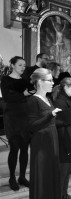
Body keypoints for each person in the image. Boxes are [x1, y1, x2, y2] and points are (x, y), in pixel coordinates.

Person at [27, 68, 62, 199]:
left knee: (51, 175)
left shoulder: (47, 98)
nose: (53, 83)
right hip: (41, 144)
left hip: (52, 139)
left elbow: (52, 122)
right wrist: (50, 115)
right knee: (43, 176)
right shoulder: (33, 100)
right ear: (40, 82)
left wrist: (69, 121)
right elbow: (32, 126)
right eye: (50, 80)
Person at [0, 56, 31, 191]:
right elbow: (7, 97)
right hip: (12, 118)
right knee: (14, 148)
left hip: (25, 117)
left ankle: (22, 177)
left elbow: (31, 93)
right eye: (20, 65)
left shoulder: (25, 81)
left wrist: (27, 92)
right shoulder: (5, 79)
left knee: (24, 149)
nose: (23, 67)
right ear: (12, 65)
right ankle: (12, 177)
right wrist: (24, 94)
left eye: (24, 65)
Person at [53, 78, 71, 199]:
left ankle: (64, 196)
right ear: (65, 87)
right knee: (62, 172)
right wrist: (69, 121)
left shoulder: (69, 99)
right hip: (64, 139)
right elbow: (56, 122)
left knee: (67, 171)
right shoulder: (60, 101)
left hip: (70, 136)